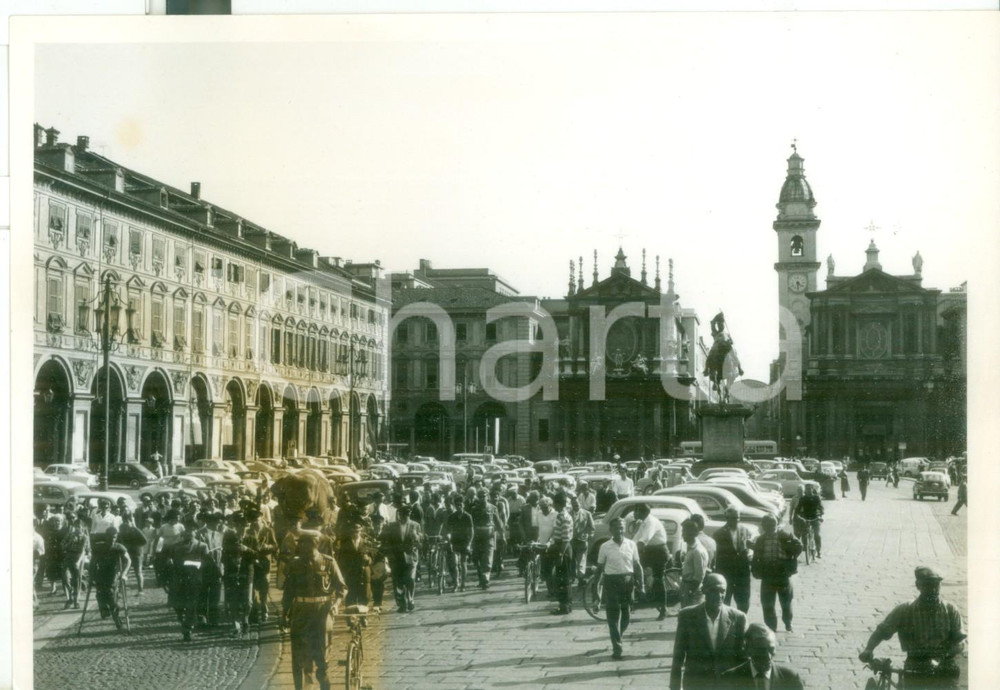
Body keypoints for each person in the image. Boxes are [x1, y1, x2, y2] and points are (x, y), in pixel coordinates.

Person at [858, 566, 965, 688]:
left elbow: (960, 640)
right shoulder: (905, 609)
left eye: (936, 585)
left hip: (945, 664)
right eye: (928, 585)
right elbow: (882, 631)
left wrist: (945, 655)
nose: (933, 590)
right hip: (916, 664)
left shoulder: (950, 609)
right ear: (918, 585)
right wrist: (869, 649)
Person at [281, 533, 346, 690]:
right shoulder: (295, 564)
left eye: (306, 545)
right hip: (300, 612)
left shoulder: (328, 562)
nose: (302, 548)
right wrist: (284, 613)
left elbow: (342, 588)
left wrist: (336, 605)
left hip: (322, 612)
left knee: (322, 653)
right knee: (298, 656)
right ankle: (303, 686)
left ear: (315, 545)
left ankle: (324, 681)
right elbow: (288, 592)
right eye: (301, 544)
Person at [669, 573, 748, 690]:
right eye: (713, 590)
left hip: (727, 683)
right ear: (703, 590)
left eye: (722, 591)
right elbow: (678, 655)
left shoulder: (739, 618)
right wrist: (674, 685)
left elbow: (743, 657)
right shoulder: (687, 615)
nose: (719, 595)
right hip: (696, 682)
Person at [595, 517, 645, 660]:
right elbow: (599, 570)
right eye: (616, 528)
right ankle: (617, 646)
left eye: (622, 527)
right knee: (612, 616)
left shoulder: (631, 544)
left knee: (626, 615)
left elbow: (637, 566)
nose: (620, 530)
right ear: (611, 530)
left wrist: (641, 585)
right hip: (611, 582)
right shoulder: (604, 546)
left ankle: (618, 635)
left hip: (627, 582)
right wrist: (596, 593)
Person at [751, 514, 801, 633]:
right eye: (767, 524)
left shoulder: (785, 535)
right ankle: (771, 627)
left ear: (777, 524)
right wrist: (756, 570)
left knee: (786, 601)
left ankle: (788, 622)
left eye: (772, 523)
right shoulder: (761, 539)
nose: (770, 526)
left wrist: (792, 559)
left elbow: (799, 546)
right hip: (767, 573)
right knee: (767, 602)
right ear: (763, 526)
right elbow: (756, 556)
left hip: (782, 572)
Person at [721, 622, 805, 689]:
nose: (768, 656)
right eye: (761, 650)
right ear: (747, 649)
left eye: (771, 649)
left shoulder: (791, 678)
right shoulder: (729, 679)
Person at [168, 520, 209, 641]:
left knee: (191, 605)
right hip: (179, 580)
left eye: (191, 531)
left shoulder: (202, 546)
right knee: (178, 605)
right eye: (186, 531)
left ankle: (187, 629)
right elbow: (170, 561)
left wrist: (198, 565)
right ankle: (183, 620)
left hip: (194, 580)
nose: (188, 533)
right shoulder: (176, 547)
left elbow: (207, 563)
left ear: (195, 532)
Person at [631, 503, 670, 620]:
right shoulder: (643, 522)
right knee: (635, 569)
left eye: (636, 511)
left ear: (643, 512)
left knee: (659, 579)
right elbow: (636, 538)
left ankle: (664, 609)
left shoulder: (651, 522)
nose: (634, 513)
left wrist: (637, 546)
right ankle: (640, 595)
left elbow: (644, 539)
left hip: (659, 552)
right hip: (649, 551)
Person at [381, 503, 422, 612]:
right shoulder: (392, 526)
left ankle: (411, 600)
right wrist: (390, 554)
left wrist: (416, 538)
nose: (405, 517)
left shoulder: (415, 525)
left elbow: (419, 542)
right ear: (399, 515)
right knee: (398, 581)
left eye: (407, 515)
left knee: (410, 579)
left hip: (411, 557)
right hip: (396, 558)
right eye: (403, 515)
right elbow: (388, 542)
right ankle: (402, 603)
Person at [713, 506, 754, 613]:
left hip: (742, 573)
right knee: (725, 601)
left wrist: (750, 552)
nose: (736, 520)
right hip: (727, 573)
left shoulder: (744, 530)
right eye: (733, 518)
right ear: (727, 518)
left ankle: (742, 622)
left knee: (744, 601)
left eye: (738, 518)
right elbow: (718, 556)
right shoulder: (719, 534)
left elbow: (749, 547)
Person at [90, 526, 131, 631]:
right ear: (106, 536)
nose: (112, 539)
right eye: (110, 537)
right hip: (100, 574)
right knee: (100, 594)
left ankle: (115, 618)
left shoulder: (119, 547)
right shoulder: (99, 547)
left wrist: (124, 573)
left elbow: (128, 560)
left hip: (113, 574)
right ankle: (105, 610)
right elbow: (93, 563)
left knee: (110, 596)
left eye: (114, 537)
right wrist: (91, 576)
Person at [545, 492, 574, 615]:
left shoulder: (564, 517)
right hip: (560, 548)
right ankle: (565, 605)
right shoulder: (561, 515)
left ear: (558, 504)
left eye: (554, 503)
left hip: (564, 549)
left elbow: (566, 539)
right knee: (561, 579)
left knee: (564, 580)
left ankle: (565, 606)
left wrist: (561, 555)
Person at [469, 489, 503, 590]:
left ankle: (485, 579)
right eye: (480, 496)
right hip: (477, 536)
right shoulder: (474, 509)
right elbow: (471, 525)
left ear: (487, 496)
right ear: (478, 498)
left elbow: (498, 523)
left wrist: (503, 535)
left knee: (488, 558)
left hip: (489, 536)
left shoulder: (493, 508)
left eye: (484, 496)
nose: (482, 498)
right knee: (477, 558)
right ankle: (481, 578)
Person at [444, 495, 474, 591]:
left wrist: (469, 544)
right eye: (457, 505)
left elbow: (471, 532)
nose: (459, 506)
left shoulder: (468, 516)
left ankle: (463, 584)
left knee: (463, 563)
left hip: (465, 542)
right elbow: (448, 530)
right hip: (454, 542)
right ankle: (456, 584)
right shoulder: (452, 517)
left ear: (463, 505)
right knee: (455, 563)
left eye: (460, 504)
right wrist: (448, 536)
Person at [679, 519, 709, 607]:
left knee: (692, 617)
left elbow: (699, 576)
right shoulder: (691, 548)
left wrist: (690, 592)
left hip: (693, 590)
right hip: (686, 586)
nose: (682, 535)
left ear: (692, 533)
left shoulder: (698, 551)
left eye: (684, 532)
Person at [570, 495, 595, 585]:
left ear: (580, 503)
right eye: (573, 504)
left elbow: (592, 528)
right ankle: (572, 576)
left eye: (577, 504)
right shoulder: (568, 513)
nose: (575, 506)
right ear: (571, 505)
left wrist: (589, 535)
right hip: (570, 541)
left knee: (581, 560)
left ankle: (581, 578)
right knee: (571, 560)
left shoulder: (587, 513)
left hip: (582, 540)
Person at [794, 483, 824, 558]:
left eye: (809, 489)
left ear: (812, 489)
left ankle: (819, 551)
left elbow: (821, 508)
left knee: (817, 534)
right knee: (804, 534)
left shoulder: (816, 498)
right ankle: (805, 546)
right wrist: (797, 515)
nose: (808, 490)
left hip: (815, 517)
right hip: (806, 517)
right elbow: (797, 509)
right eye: (807, 489)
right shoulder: (803, 498)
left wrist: (821, 515)